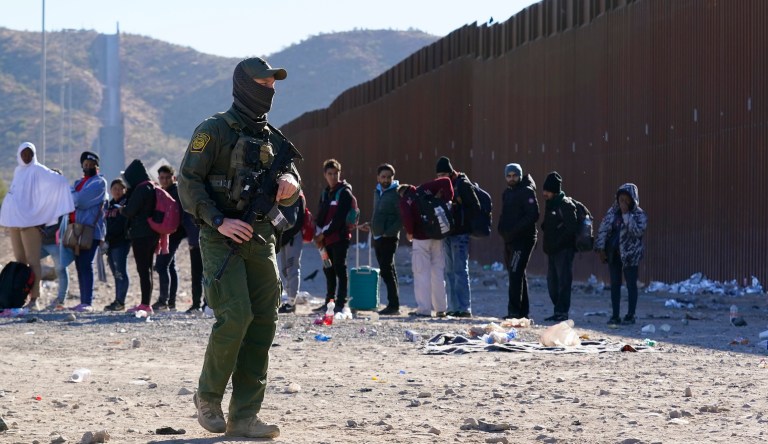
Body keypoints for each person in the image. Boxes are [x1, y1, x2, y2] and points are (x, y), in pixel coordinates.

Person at [177, 57, 300, 438]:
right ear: (245, 84)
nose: (271, 89)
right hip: (220, 237)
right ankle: (208, 397)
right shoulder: (213, 130)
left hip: (262, 238)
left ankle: (245, 415)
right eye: (264, 82)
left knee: (264, 321)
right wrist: (218, 220)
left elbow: (293, 180)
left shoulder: (274, 139)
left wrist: (291, 186)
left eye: (274, 83)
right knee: (235, 316)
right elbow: (188, 182)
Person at [0, 142, 74, 310]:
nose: (27, 156)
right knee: (20, 261)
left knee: (34, 262)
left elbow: (59, 182)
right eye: (24, 153)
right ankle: (19, 297)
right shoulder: (18, 171)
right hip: (15, 223)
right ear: (19, 155)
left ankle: (34, 299)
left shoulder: (38, 169)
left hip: (30, 224)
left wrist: (42, 214)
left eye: (30, 153)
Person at [594, 183, 648, 326]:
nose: (622, 202)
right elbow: (603, 229)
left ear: (632, 200)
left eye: (626, 199)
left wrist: (626, 215)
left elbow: (637, 231)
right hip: (614, 254)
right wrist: (600, 248)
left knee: (631, 285)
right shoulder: (612, 212)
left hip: (630, 255)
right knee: (615, 285)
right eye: (620, 198)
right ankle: (615, 315)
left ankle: (630, 315)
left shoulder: (639, 214)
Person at [399, 177, 454, 317]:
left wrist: (410, 232)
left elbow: (407, 217)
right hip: (437, 236)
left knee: (421, 273)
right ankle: (441, 308)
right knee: (438, 273)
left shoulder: (406, 199)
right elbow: (446, 181)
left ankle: (424, 309)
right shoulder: (424, 188)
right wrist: (448, 200)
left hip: (420, 239)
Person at [435, 156, 479, 318]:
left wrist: (458, 205)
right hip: (447, 233)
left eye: (443, 175)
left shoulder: (463, 184)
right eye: (438, 176)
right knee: (450, 272)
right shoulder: (442, 186)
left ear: (451, 172)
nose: (440, 179)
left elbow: (475, 208)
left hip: (460, 234)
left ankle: (464, 307)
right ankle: (454, 307)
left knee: (460, 270)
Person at [497, 163, 539, 320]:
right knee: (517, 274)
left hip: (524, 239)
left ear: (520, 176)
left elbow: (533, 215)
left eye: (515, 175)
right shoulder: (507, 193)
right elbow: (504, 215)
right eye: (509, 175)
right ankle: (522, 313)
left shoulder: (526, 191)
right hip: (510, 239)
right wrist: (501, 229)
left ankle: (514, 312)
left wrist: (514, 230)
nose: (512, 178)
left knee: (515, 273)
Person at [360, 163, 402, 315]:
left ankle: (393, 305)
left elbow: (400, 217)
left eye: (389, 177)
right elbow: (379, 215)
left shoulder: (396, 193)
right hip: (377, 236)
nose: (386, 180)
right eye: (383, 177)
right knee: (387, 270)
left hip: (389, 238)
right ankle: (394, 304)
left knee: (387, 270)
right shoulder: (377, 192)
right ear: (378, 178)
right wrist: (370, 225)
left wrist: (388, 232)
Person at [314, 158, 355, 314]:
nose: (333, 176)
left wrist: (322, 234)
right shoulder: (325, 193)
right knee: (328, 270)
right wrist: (316, 235)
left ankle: (341, 303)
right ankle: (329, 302)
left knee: (340, 269)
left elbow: (339, 219)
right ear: (325, 175)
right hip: (324, 241)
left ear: (340, 173)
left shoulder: (344, 192)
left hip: (339, 238)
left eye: (335, 173)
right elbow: (320, 216)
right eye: (330, 173)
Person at [70, 151, 108, 312]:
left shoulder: (99, 183)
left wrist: (74, 196)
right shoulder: (79, 183)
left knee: (86, 263)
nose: (88, 167)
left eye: (91, 165)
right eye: (86, 165)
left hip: (91, 230)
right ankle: (83, 300)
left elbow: (80, 201)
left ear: (97, 166)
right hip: (77, 229)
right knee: (79, 265)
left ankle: (88, 302)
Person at [121, 159, 160, 314]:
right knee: (148, 269)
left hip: (141, 234)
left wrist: (122, 209)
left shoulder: (141, 189)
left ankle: (145, 304)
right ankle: (146, 303)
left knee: (143, 270)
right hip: (152, 233)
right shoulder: (151, 186)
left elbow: (130, 211)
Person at [540, 171, 578, 322]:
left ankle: (562, 312)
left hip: (564, 250)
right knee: (552, 284)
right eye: (544, 190)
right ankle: (558, 311)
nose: (544, 194)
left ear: (555, 191)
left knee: (563, 282)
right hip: (552, 251)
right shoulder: (550, 205)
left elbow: (571, 229)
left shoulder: (566, 205)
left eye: (547, 191)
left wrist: (558, 242)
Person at [153, 165, 187, 311]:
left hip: (174, 233)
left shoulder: (176, 192)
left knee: (161, 266)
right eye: (162, 178)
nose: (164, 180)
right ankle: (170, 302)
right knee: (170, 266)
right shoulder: (163, 192)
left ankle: (163, 300)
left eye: (167, 178)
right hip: (167, 233)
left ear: (173, 178)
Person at [103, 179, 131, 311]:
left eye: (120, 188)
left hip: (121, 242)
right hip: (110, 244)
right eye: (114, 188)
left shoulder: (125, 204)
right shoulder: (109, 205)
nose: (117, 191)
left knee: (120, 272)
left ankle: (120, 301)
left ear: (125, 190)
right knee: (115, 273)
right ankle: (117, 300)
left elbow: (121, 224)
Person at [277, 190, 307, 314]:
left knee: (292, 268)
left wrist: (286, 236)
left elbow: (298, 220)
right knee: (283, 269)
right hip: (282, 237)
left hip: (292, 237)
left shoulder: (297, 195)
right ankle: (289, 298)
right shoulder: (280, 192)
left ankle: (291, 302)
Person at [182, 210, 204, 314]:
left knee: (200, 276)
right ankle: (199, 304)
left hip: (201, 245)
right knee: (198, 276)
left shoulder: (189, 208)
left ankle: (202, 304)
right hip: (197, 245)